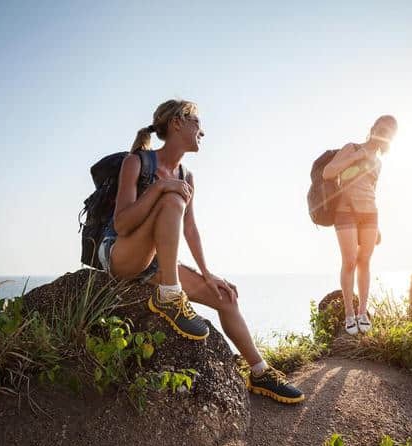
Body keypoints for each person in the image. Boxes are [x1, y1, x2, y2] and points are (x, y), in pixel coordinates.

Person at [97, 99, 304, 404]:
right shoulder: (137, 162)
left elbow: (190, 230)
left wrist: (208, 275)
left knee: (225, 297)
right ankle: (170, 297)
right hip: (122, 255)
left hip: (156, 263)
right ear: (178, 123)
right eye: (197, 122)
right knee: (172, 199)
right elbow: (123, 223)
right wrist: (160, 189)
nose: (202, 131)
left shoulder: (186, 176)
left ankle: (260, 373)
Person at [322, 115, 398, 335]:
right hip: (345, 212)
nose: (383, 134)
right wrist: (357, 156)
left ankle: (362, 312)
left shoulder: (379, 162)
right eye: (381, 129)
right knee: (349, 261)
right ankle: (349, 314)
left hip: (370, 215)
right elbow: (329, 173)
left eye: (388, 133)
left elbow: (371, 190)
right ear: (373, 128)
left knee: (365, 261)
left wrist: (378, 227)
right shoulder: (351, 147)